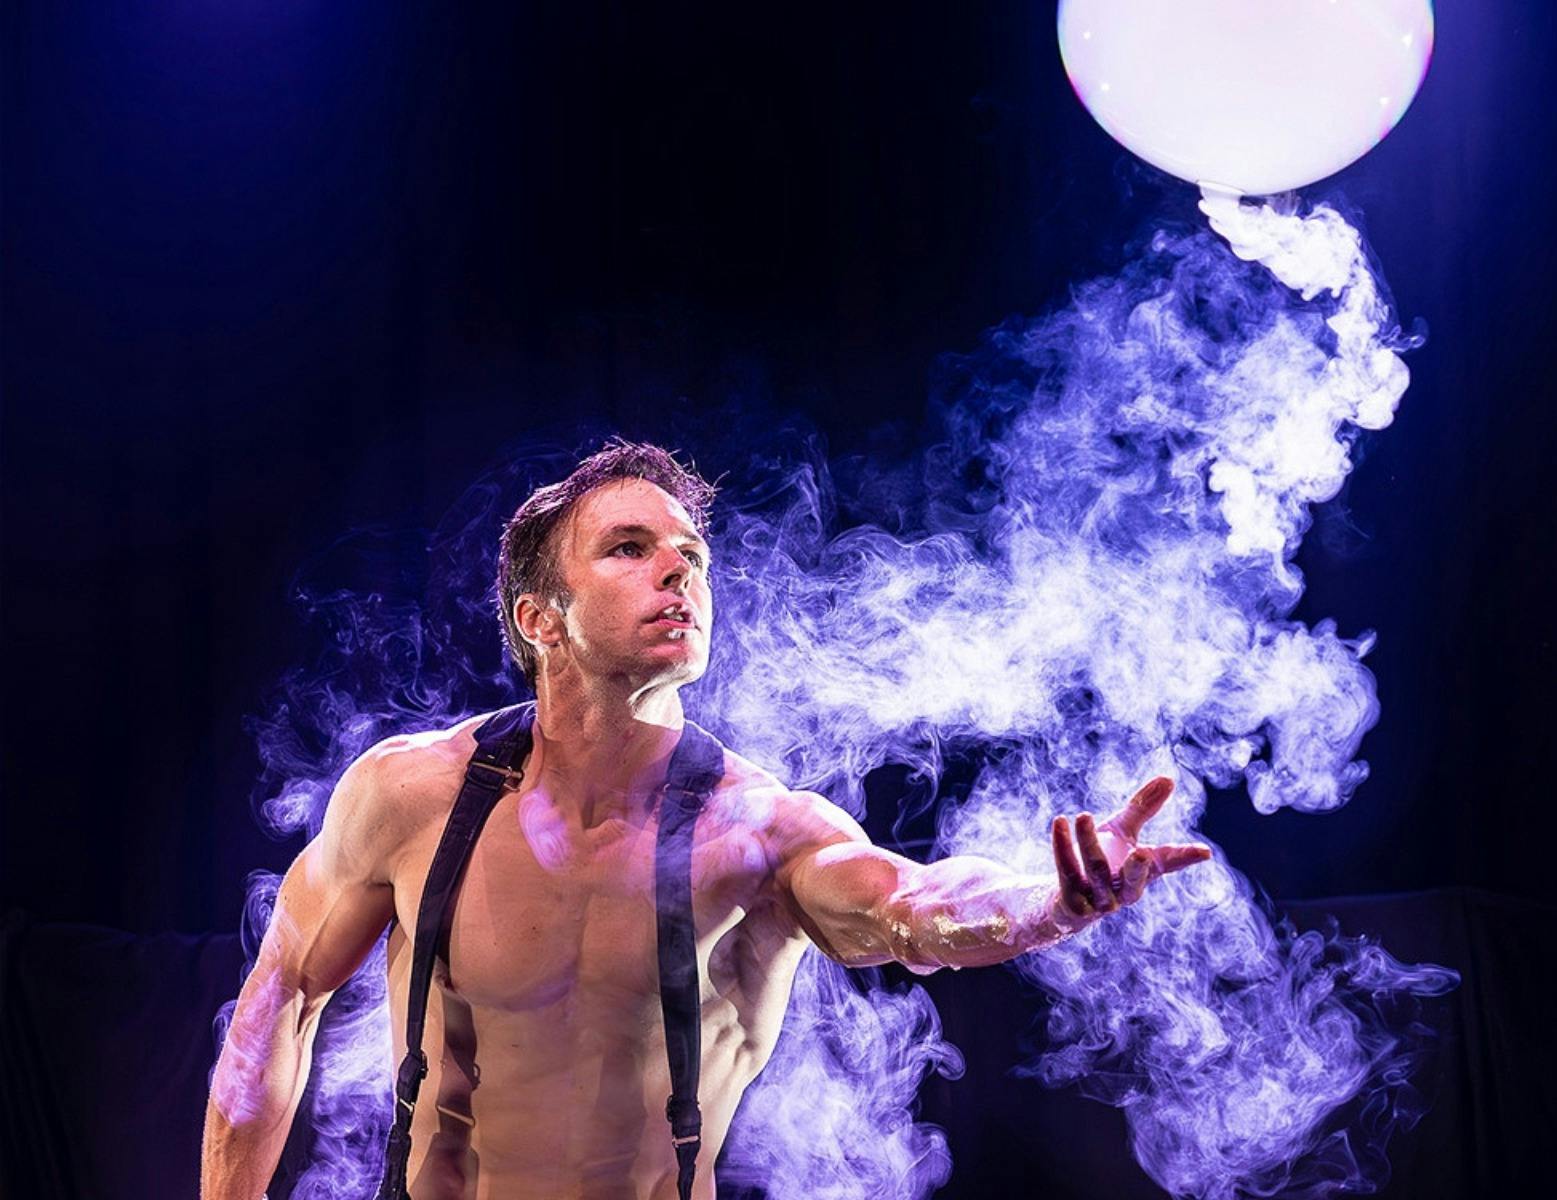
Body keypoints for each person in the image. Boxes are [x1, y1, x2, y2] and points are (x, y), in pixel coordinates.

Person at [201, 440, 1211, 1200]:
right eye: (628, 549)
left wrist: (1048, 903)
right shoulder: (411, 794)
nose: (677, 570)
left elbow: (917, 905)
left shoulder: (760, 831)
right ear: (540, 619)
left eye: (690, 553)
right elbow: (278, 998)